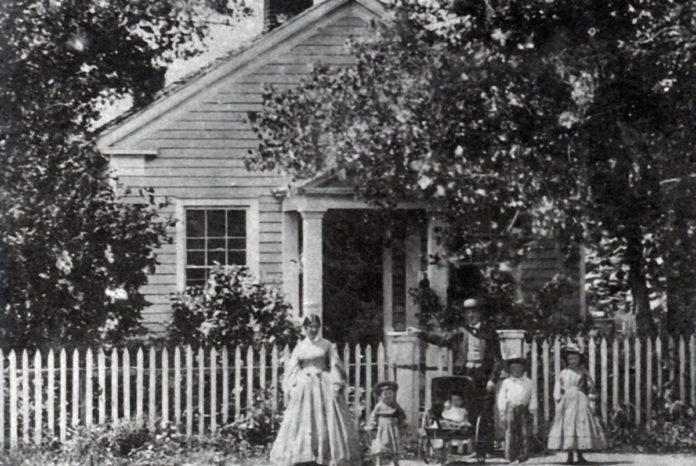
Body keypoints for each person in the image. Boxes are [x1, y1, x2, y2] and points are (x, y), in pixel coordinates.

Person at [408, 298, 502, 457]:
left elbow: (498, 359)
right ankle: (466, 448)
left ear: (480, 314)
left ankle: (484, 450)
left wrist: (493, 379)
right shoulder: (460, 332)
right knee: (464, 410)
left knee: (483, 412)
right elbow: (442, 338)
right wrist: (421, 333)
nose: (471, 315)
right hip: (464, 374)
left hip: (482, 375)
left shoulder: (489, 332)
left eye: (474, 312)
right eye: (468, 312)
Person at [269, 314, 361, 466]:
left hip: (323, 383)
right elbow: (293, 367)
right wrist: (292, 385)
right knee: (303, 419)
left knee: (326, 419)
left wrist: (336, 383)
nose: (313, 329)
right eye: (309, 326)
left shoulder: (326, 345)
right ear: (304, 328)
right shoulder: (300, 347)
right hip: (305, 385)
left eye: (315, 326)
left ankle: (325, 455)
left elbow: (334, 365)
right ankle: (304, 454)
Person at [547, 343, 606, 464]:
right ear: (566, 360)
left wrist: (591, 397)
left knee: (580, 425)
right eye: (570, 358)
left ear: (579, 359)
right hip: (567, 401)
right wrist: (558, 398)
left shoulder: (583, 372)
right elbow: (557, 386)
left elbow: (591, 386)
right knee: (568, 425)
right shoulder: (563, 373)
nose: (572, 360)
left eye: (575, 358)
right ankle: (569, 456)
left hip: (580, 400)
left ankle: (580, 455)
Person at [497, 358, 536, 464]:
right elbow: (502, 397)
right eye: (513, 368)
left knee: (524, 433)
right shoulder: (507, 382)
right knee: (510, 432)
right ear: (509, 370)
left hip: (523, 409)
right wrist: (502, 412)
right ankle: (510, 456)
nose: (516, 370)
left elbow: (533, 396)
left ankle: (523, 455)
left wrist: (532, 410)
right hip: (511, 409)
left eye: (519, 368)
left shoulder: (528, 382)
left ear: (523, 368)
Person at [367, 381, 407, 466]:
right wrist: (372, 425)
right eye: (385, 394)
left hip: (394, 428)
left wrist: (402, 424)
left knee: (394, 447)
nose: (388, 396)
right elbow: (373, 417)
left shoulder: (396, 406)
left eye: (390, 393)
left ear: (393, 395)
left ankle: (396, 462)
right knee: (382, 447)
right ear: (381, 396)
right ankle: (379, 463)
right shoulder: (379, 406)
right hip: (383, 430)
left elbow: (402, 416)